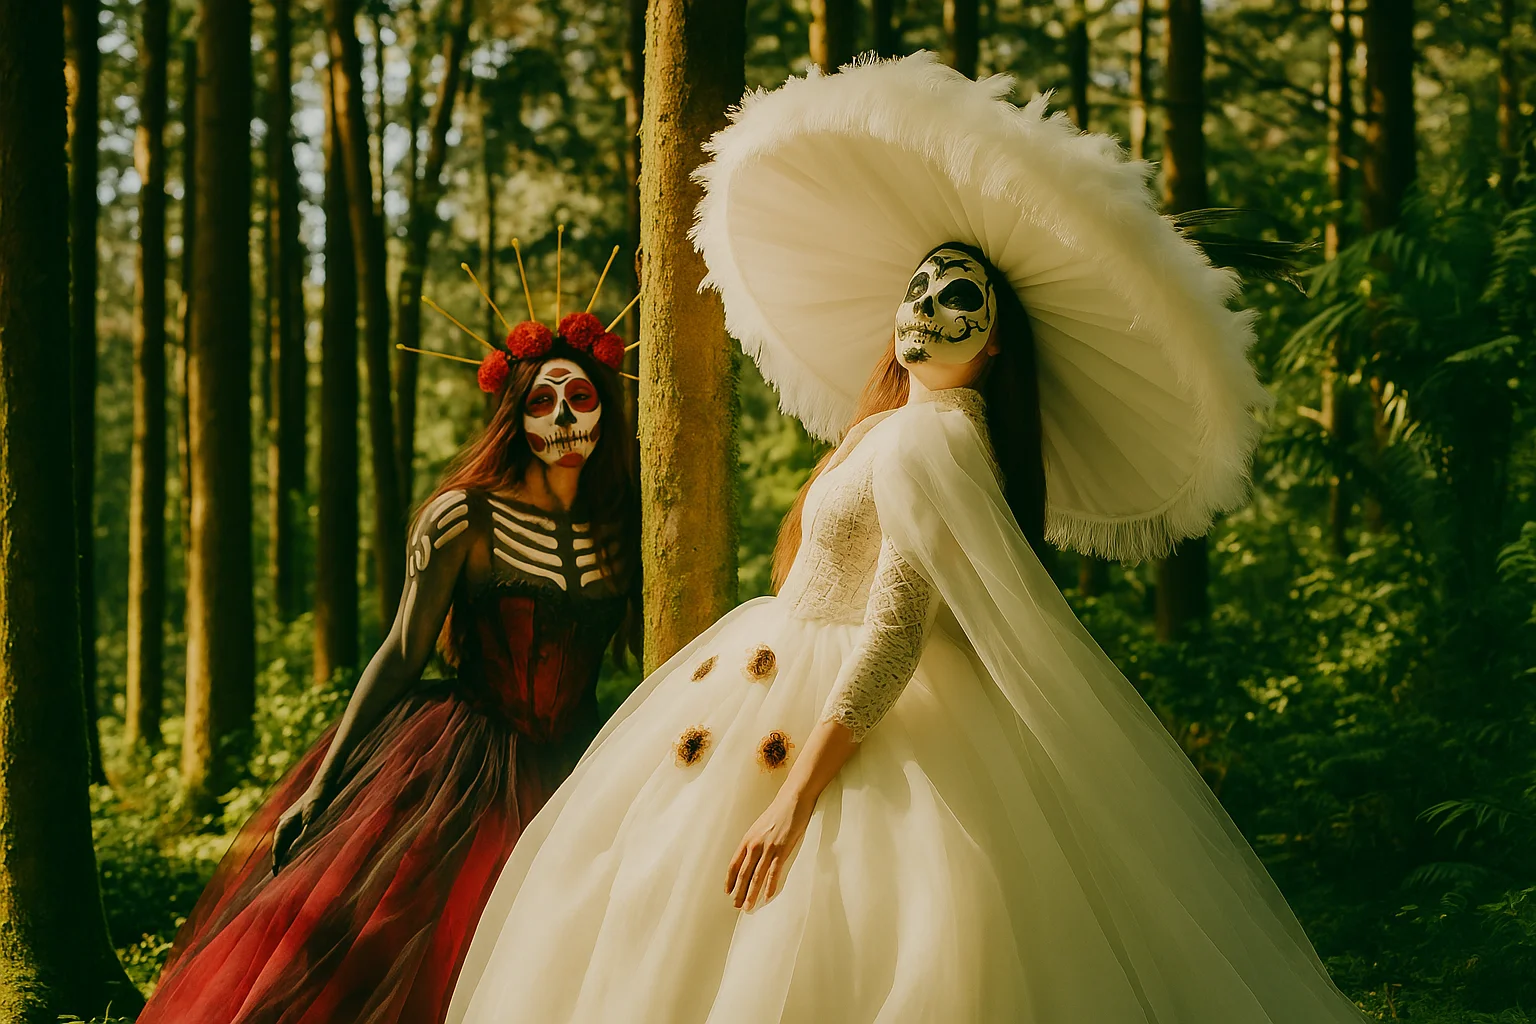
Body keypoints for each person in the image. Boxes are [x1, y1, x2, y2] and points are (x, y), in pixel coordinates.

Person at [447, 54, 1368, 1023]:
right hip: (773, 670)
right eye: (920, 288)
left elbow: (895, 623)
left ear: (998, 341)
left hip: (844, 713)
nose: (927, 308)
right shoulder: (893, 421)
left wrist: (795, 797)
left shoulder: (939, 439)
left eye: (958, 298)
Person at [139, 280, 640, 1023]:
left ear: (605, 404)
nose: (564, 416)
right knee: (413, 935)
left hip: (575, 765)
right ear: (514, 415)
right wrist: (325, 783)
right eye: (541, 401)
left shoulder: (625, 525)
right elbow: (401, 651)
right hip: (464, 760)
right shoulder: (462, 517)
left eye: (580, 397)